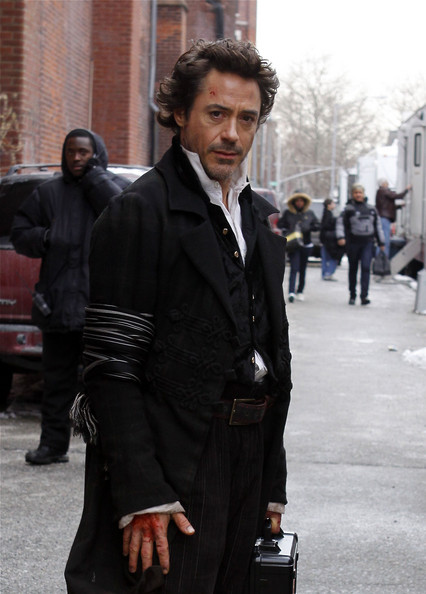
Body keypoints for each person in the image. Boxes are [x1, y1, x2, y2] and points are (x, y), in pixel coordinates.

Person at [65, 39, 292, 594]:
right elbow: (110, 368)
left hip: (249, 453)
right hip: (176, 461)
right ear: (180, 114)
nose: (232, 133)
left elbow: (270, 356)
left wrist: (272, 484)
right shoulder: (140, 212)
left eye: (246, 118)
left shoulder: (258, 217)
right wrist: (142, 491)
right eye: (216, 114)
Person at [10, 129, 129, 465]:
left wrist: (95, 179)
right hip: (58, 306)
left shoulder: (112, 187)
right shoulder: (48, 192)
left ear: (97, 154)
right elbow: (19, 233)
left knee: (106, 385)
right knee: (56, 383)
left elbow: (126, 219)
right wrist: (47, 237)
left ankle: (109, 453)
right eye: (71, 151)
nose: (76, 158)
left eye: (84, 152)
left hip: (101, 308)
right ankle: (52, 446)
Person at [336, 183, 385, 305]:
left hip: (367, 243)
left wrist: (381, 241)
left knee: (366, 268)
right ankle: (352, 295)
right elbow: (340, 224)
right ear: (352, 194)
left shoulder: (371, 209)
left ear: (363, 194)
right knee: (353, 269)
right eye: (356, 193)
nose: (358, 195)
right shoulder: (348, 209)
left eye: (360, 193)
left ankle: (364, 296)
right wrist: (340, 237)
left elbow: (378, 226)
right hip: (353, 243)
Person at [277, 191, 319, 302]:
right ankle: (291, 292)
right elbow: (280, 224)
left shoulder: (309, 213)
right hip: (293, 245)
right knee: (294, 268)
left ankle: (300, 290)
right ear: (294, 202)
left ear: (304, 202)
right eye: (297, 201)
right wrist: (288, 230)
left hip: (306, 244)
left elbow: (317, 225)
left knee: (302, 268)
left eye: (301, 201)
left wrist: (309, 228)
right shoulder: (288, 213)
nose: (299, 203)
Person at [375, 178, 411, 258]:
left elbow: (387, 206)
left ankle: (380, 258)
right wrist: (407, 190)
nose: (388, 185)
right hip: (384, 219)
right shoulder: (384, 191)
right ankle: (383, 259)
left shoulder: (380, 193)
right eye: (386, 183)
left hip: (383, 218)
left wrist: (399, 206)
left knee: (382, 240)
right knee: (385, 241)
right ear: (383, 184)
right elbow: (397, 196)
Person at [320, 198, 344, 281]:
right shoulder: (328, 214)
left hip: (326, 239)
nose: (334, 205)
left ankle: (326, 273)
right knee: (331, 256)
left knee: (326, 257)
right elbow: (326, 226)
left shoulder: (326, 213)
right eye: (333, 203)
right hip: (329, 239)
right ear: (328, 205)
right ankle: (328, 273)